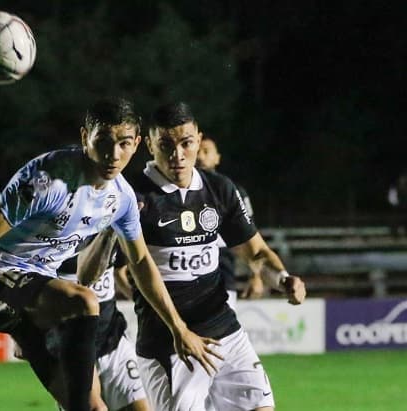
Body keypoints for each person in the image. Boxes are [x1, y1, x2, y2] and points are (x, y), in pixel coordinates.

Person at [0, 98, 219, 411]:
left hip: (38, 305)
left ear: (137, 143)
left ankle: (32, 339)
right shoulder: (48, 180)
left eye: (124, 143)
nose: (113, 154)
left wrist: (178, 328)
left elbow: (140, 261)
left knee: (93, 407)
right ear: (85, 137)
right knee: (84, 300)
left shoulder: (121, 198)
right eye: (103, 141)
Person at [125, 102, 306, 411]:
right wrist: (179, 329)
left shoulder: (219, 189)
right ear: (150, 145)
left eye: (186, 143)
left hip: (225, 332)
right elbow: (136, 267)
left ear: (198, 140)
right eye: (166, 145)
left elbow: (256, 252)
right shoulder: (134, 197)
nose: (178, 154)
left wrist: (282, 278)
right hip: (170, 343)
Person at [54, 237, 150, 411]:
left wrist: (144, 302)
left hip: (112, 340)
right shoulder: (60, 235)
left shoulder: (112, 229)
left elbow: (119, 272)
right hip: (71, 347)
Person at [195, 137, 263, 307]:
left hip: (222, 274)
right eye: (197, 151)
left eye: (206, 151)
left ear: (217, 158)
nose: (200, 156)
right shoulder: (173, 191)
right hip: (183, 276)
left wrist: (256, 276)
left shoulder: (232, 191)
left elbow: (249, 237)